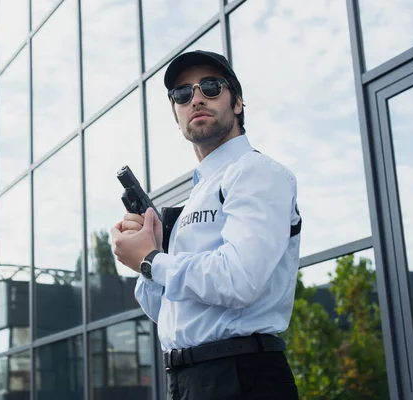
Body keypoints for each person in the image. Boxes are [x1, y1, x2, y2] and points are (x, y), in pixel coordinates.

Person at [110, 50, 302, 400]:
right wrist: (148, 258)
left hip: (242, 375)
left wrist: (153, 259)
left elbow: (240, 279)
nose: (196, 98)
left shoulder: (255, 172)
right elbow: (167, 313)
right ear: (176, 113)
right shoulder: (198, 196)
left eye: (211, 87)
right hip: (189, 379)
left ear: (238, 102)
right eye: (182, 94)